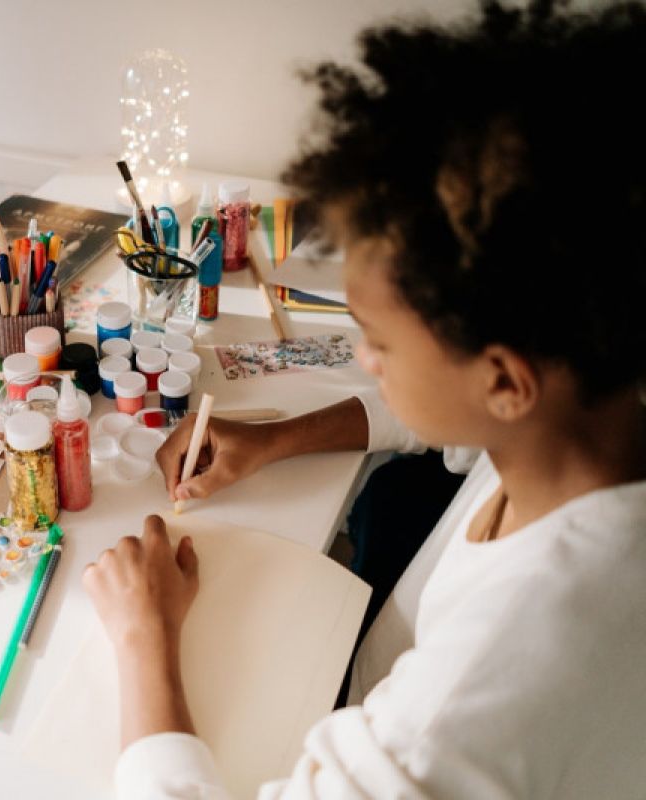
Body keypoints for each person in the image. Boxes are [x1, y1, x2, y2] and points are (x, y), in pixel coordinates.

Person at [82, 1, 646, 796]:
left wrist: (144, 634)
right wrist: (275, 438)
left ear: (504, 380)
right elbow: (451, 434)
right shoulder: (588, 419)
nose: (364, 363)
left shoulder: (495, 673)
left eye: (376, 340)